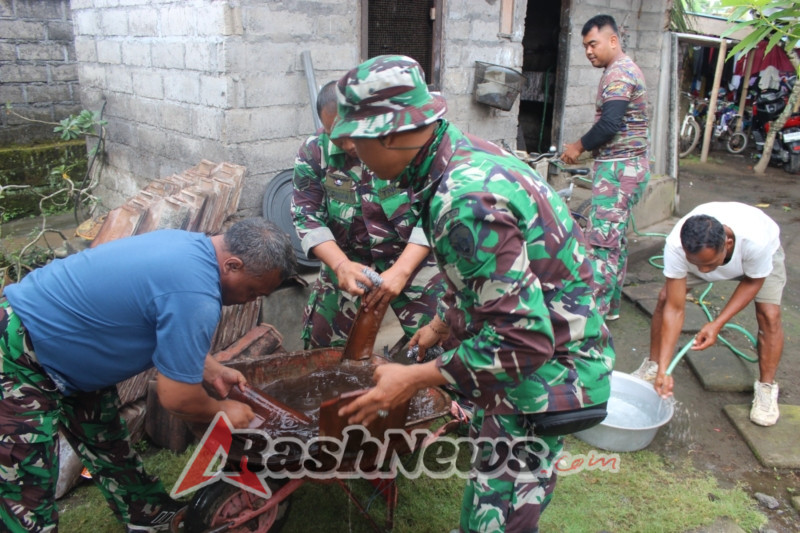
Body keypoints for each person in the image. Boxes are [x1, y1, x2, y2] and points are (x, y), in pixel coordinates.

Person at [332, 55, 615, 533]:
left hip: (546, 378)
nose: (350, 150)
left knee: (497, 518)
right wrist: (444, 322)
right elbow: (495, 277)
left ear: (390, 135)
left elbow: (523, 340)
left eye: (356, 140)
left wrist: (417, 377)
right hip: (539, 363)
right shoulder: (466, 154)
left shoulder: (464, 199)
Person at [0, 218, 296, 532]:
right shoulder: (196, 294)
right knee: (24, 484)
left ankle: (147, 514)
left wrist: (209, 366)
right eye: (252, 290)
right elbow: (177, 397)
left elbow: (157, 314)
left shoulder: (187, 246)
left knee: (108, 442)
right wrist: (222, 409)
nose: (252, 300)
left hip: (65, 346)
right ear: (232, 265)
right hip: (20, 352)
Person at [291, 80, 449, 349]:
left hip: (412, 254)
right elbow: (306, 214)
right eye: (336, 136)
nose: (349, 144)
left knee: (441, 340)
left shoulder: (402, 145)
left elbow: (435, 211)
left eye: (352, 133)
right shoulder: (314, 151)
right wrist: (340, 265)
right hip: (347, 258)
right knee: (322, 346)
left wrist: (401, 271)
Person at [633, 202, 785, 427]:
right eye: (697, 265)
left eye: (709, 265)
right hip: (706, 255)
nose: (705, 272)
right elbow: (675, 309)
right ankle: (655, 366)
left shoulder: (757, 241)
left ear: (728, 243)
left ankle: (766, 388)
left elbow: (753, 281)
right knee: (665, 299)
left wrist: (717, 323)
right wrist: (666, 369)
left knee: (769, 315)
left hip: (754, 262)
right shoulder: (676, 245)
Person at [561, 14, 650, 321]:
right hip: (629, 167)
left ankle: (590, 321)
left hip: (619, 171)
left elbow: (610, 125)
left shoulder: (618, 74)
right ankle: (610, 309)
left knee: (599, 245)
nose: (588, 51)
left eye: (593, 44)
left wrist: (577, 147)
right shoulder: (622, 69)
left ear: (613, 40)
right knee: (615, 241)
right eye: (585, 46)